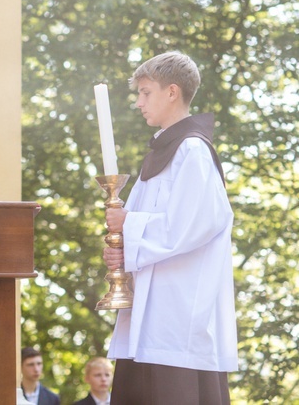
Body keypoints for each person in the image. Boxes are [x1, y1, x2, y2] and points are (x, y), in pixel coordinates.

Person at [102, 51, 238, 404]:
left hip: (176, 316)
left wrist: (130, 224)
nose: (138, 102)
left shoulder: (191, 151)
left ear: (172, 92)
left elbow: (195, 225)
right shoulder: (164, 151)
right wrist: (120, 247)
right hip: (151, 311)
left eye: (146, 93)